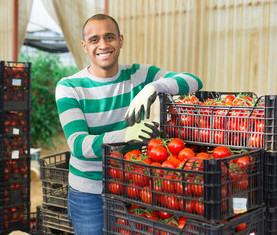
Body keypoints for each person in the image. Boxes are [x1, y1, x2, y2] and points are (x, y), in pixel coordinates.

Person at [55, 14, 203, 234]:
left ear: (120, 40)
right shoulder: (70, 87)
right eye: (94, 40)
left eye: (109, 37)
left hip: (132, 184)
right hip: (89, 191)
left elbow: (194, 81)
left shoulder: (139, 74)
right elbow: (78, 145)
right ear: (84, 46)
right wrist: (125, 135)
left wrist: (154, 87)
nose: (103, 45)